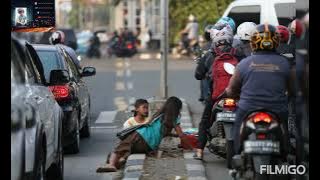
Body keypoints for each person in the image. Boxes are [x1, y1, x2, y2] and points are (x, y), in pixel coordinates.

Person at [221, 23, 294, 157]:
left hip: (248, 108)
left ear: (254, 42)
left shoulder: (243, 64)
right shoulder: (284, 64)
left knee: (238, 125)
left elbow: (231, 90)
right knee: (285, 128)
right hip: (277, 109)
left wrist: (230, 94)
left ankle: (236, 153)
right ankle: (285, 151)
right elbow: (292, 89)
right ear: (276, 41)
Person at [96, 96, 193, 172]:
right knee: (130, 150)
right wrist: (190, 147)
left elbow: (178, 135)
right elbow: (180, 135)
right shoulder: (173, 119)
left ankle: (112, 164)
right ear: (177, 108)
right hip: (149, 147)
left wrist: (189, 145)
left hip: (140, 136)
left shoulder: (158, 115)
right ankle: (120, 161)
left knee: (120, 147)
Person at [193, 26, 244, 160]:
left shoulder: (209, 55)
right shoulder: (239, 53)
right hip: (238, 95)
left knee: (204, 121)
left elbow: (198, 75)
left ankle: (199, 151)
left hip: (217, 96)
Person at [198, 25, 214, 102]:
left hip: (209, 73)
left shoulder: (204, 47)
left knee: (202, 76)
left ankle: (203, 96)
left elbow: (200, 62)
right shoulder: (219, 45)